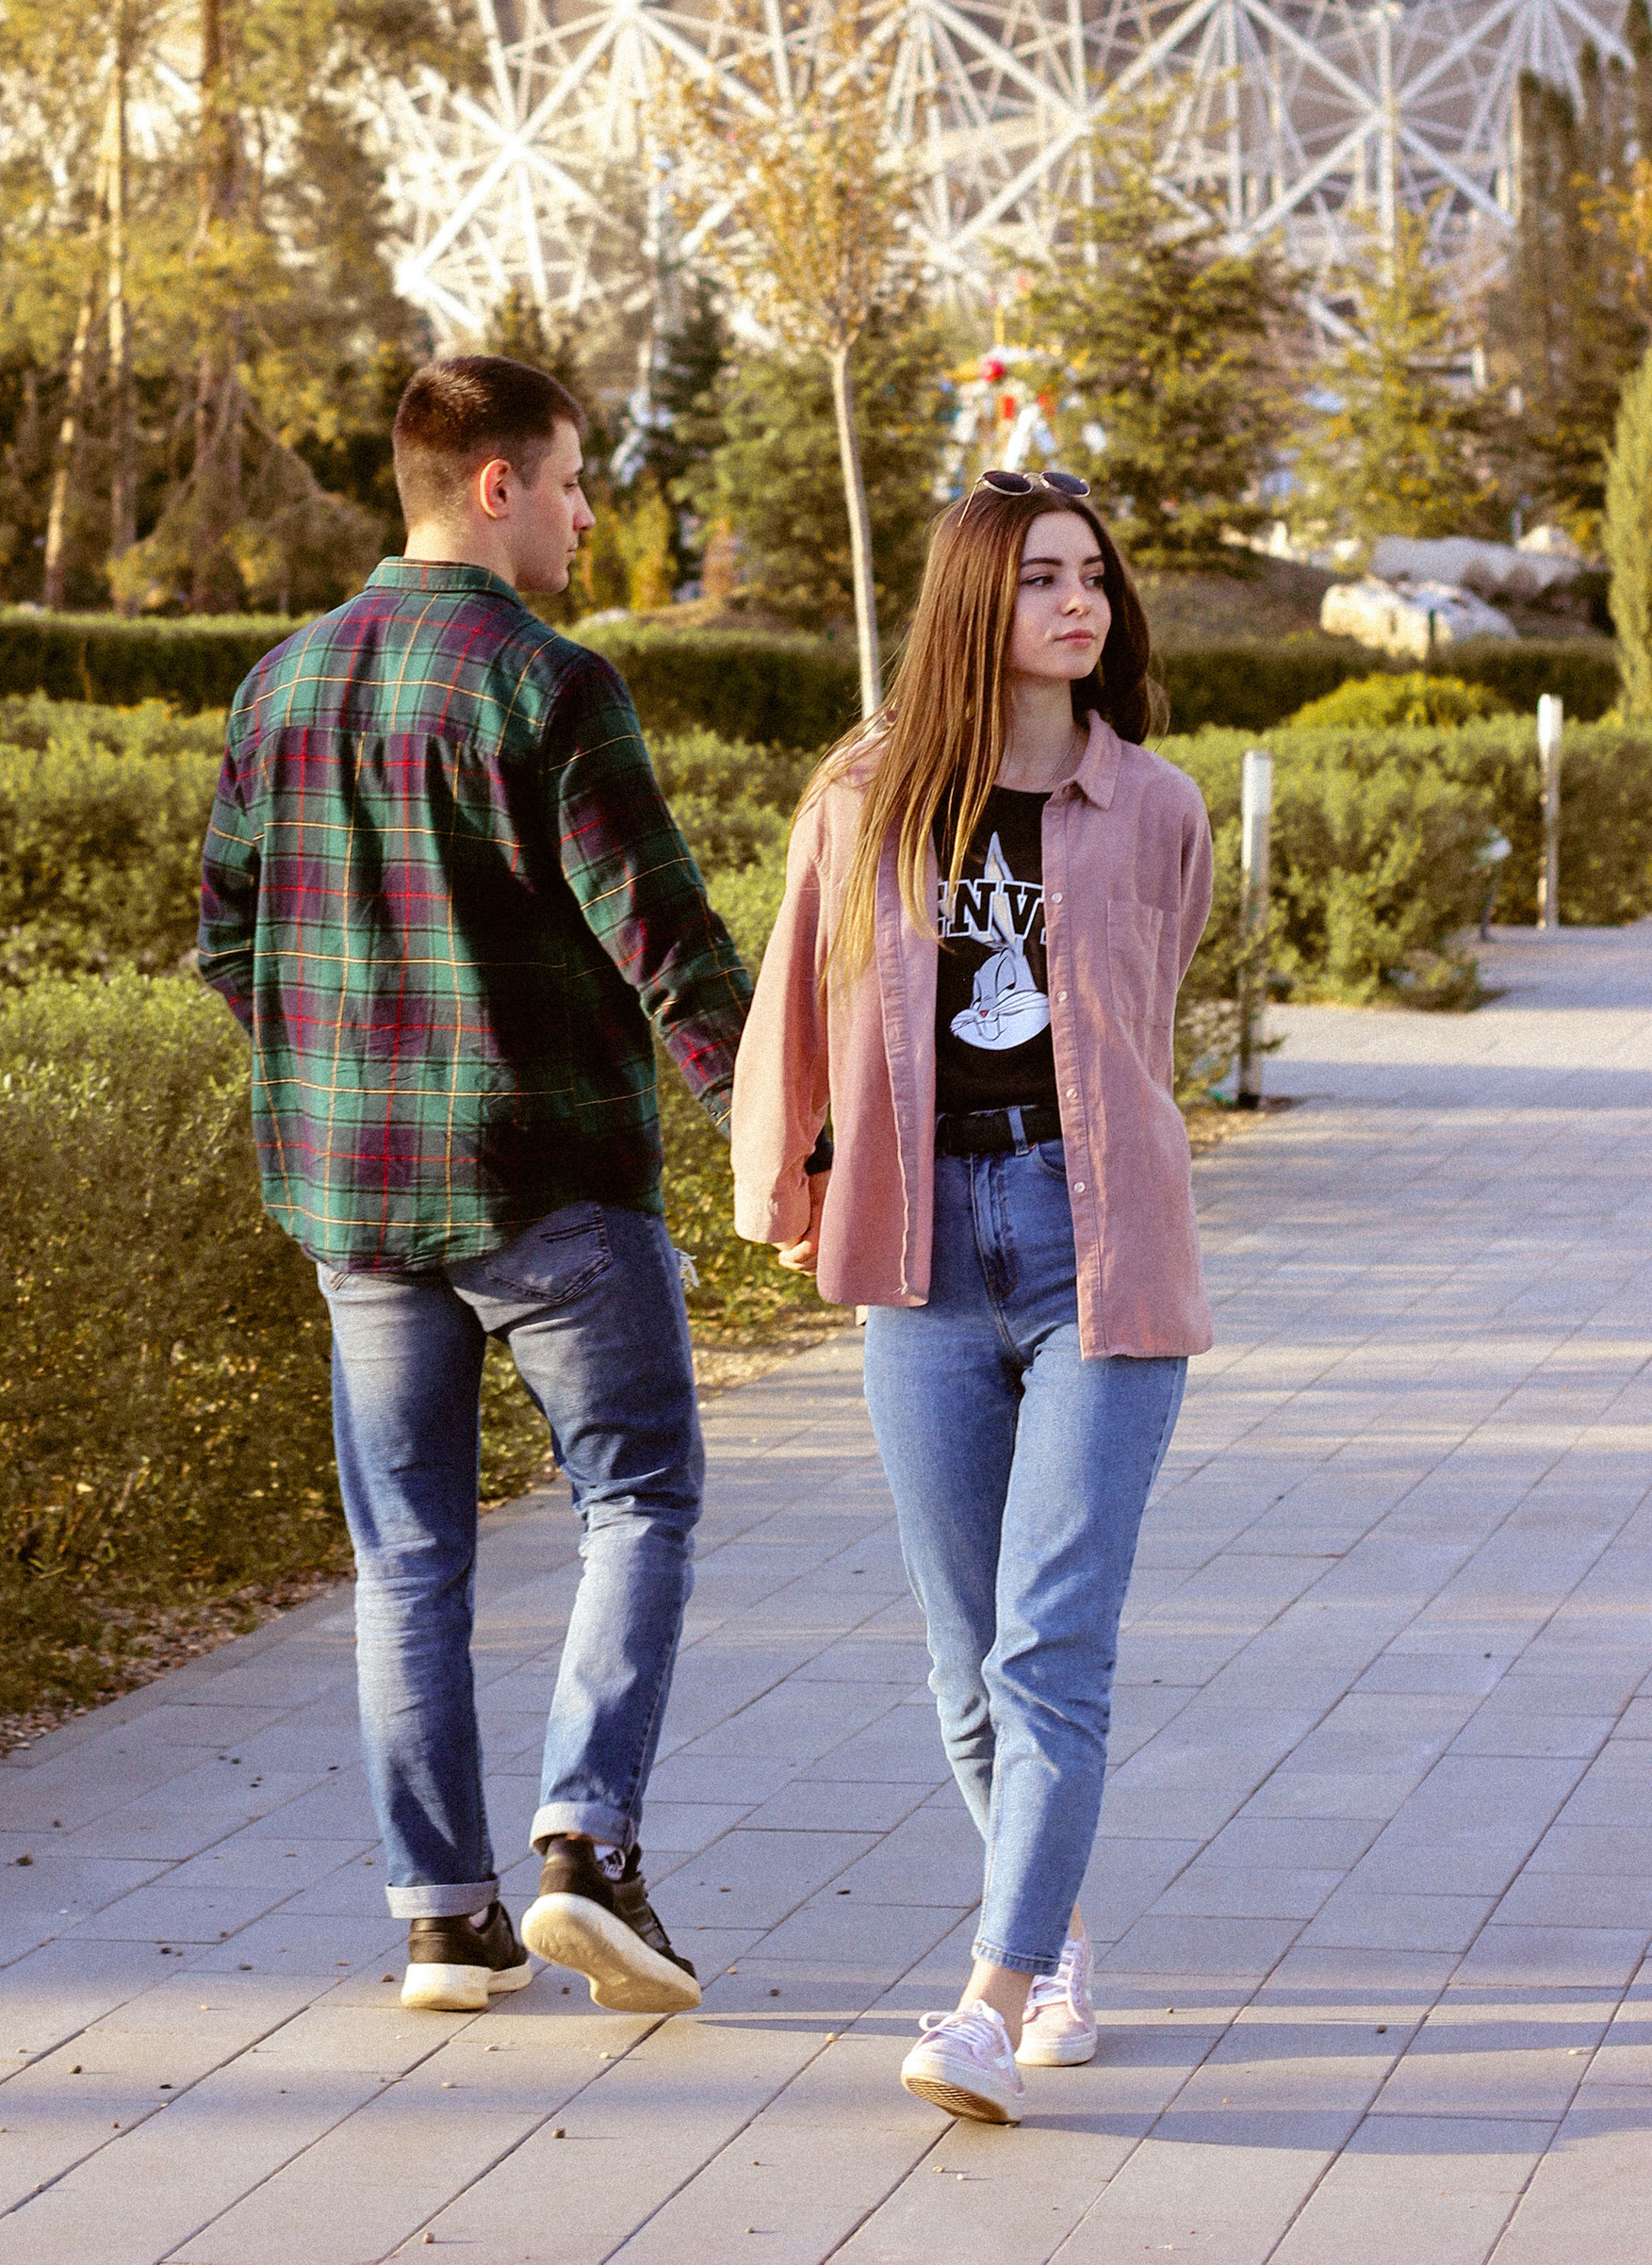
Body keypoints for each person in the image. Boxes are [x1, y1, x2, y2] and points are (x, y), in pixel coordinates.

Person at [198, 353, 750, 2019]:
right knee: (637, 1499)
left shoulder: (277, 687)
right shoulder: (551, 686)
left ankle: (443, 1919)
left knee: (408, 1560)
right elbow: (664, 939)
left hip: (352, 1205)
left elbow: (232, 943)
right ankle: (585, 1843)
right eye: (577, 481)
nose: (593, 513)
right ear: (495, 486)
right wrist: (783, 1134)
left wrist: (329, 1070)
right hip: (551, 1185)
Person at [731, 468, 1213, 2125]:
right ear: (972, 611)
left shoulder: (1155, 804)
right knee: (962, 1663)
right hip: (927, 1254)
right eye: (1038, 580)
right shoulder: (865, 798)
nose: (1076, 603)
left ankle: (990, 2002)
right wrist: (788, 1192)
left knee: (1049, 1644)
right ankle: (1058, 1931)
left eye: (1092, 574)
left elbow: (1152, 1011)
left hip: (1102, 1248)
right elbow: (794, 1001)